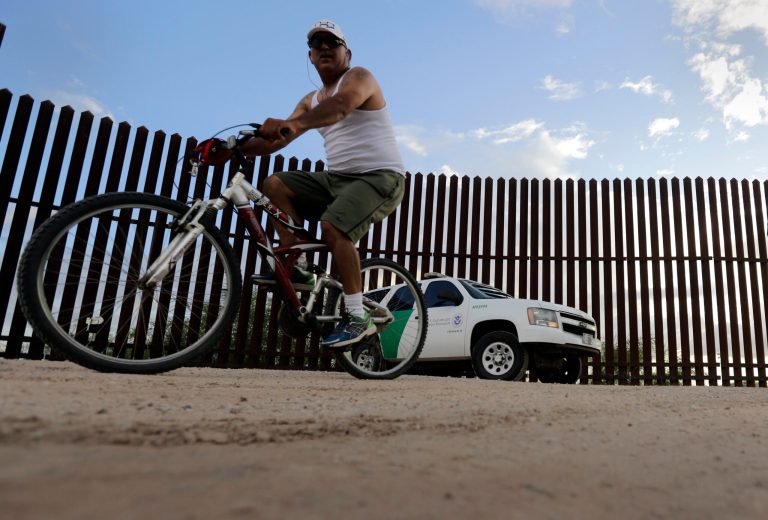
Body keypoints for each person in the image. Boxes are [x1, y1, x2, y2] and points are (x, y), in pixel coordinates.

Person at [241, 20, 406, 348]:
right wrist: (231, 148)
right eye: (317, 45)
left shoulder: (359, 77)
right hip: (337, 179)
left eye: (333, 43)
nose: (325, 48)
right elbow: (279, 140)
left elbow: (342, 106)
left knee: (333, 228)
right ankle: (299, 268)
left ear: (347, 52)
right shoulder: (309, 100)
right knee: (273, 185)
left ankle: (357, 316)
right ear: (311, 57)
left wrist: (291, 123)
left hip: (380, 177)